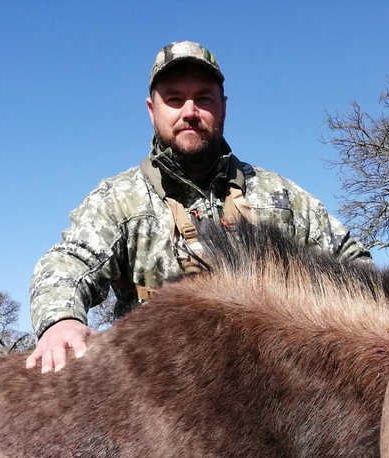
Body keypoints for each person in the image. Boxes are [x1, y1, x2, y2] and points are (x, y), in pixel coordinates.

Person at [26, 41, 370, 372]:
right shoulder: (118, 199)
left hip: (277, 389)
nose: (189, 112)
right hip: (160, 395)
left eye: (203, 99)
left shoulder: (280, 195)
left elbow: (356, 266)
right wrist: (61, 321)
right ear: (152, 110)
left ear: (223, 107)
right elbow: (67, 263)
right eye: (174, 100)